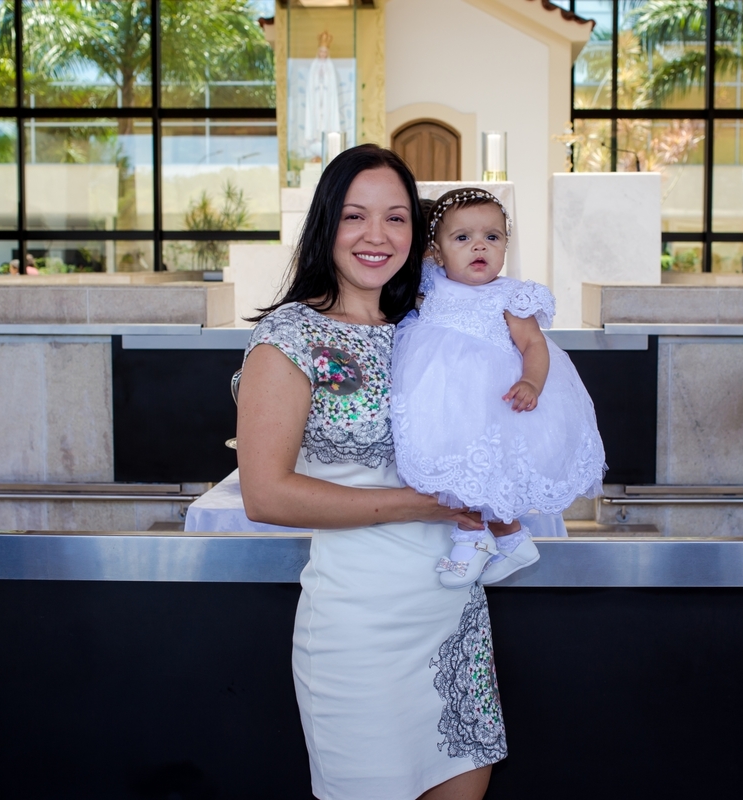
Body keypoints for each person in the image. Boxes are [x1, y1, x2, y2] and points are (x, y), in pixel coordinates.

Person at [236, 144, 504, 800]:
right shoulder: (289, 339)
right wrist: (426, 502)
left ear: (418, 235)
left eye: (396, 218)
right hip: (360, 629)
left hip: (454, 620)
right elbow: (265, 495)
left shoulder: (431, 326)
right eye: (356, 217)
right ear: (326, 225)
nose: (377, 236)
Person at [392, 188, 607, 589]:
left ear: (506, 245)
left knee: (486, 469)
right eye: (462, 238)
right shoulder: (431, 282)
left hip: (491, 398)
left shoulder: (509, 296)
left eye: (492, 237)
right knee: (449, 466)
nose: (479, 246)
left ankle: (482, 539)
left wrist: (532, 381)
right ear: (436, 252)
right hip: (442, 398)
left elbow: (533, 344)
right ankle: (504, 540)